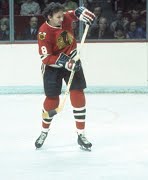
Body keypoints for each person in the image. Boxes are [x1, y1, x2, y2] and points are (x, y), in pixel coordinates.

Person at [34, 2, 95, 151]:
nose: (62, 19)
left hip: (73, 60)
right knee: (52, 101)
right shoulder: (44, 32)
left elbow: (74, 13)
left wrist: (82, 12)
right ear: (49, 17)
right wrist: (66, 63)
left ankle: (81, 135)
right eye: (58, 17)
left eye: (62, 16)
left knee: (78, 94)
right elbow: (45, 58)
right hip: (53, 67)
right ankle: (44, 131)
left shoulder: (64, 17)